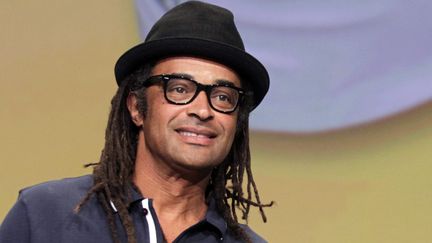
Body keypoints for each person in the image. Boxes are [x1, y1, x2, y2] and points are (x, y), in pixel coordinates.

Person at [0, 1, 272, 243]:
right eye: (179, 89)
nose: (202, 110)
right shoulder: (45, 215)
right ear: (136, 107)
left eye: (223, 97)